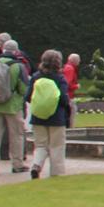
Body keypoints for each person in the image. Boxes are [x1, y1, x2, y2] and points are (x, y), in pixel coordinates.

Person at [0, 39, 30, 176]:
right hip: (12, 106)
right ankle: (17, 164)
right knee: (16, 136)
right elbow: (23, 88)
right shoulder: (18, 66)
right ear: (16, 51)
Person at [24, 50, 73, 178]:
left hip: (38, 117)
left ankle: (36, 165)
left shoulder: (36, 77)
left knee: (40, 145)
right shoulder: (60, 78)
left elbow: (28, 97)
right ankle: (57, 173)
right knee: (57, 146)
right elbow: (63, 99)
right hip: (57, 118)